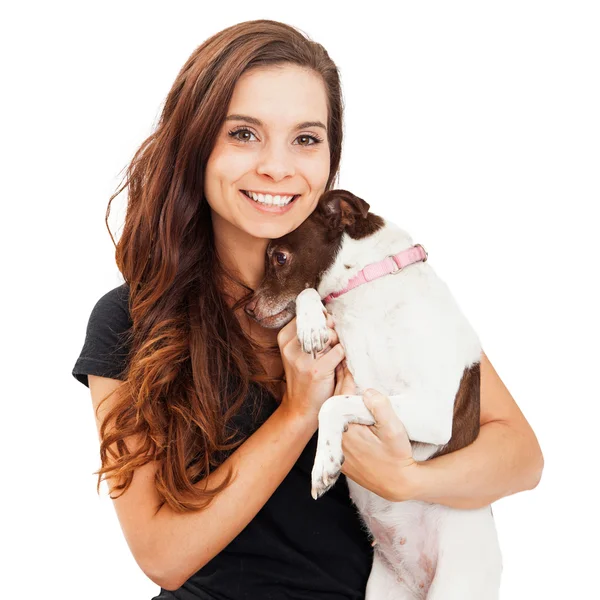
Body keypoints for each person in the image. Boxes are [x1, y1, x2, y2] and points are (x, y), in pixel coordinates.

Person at [72, 19, 544, 599]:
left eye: (305, 138)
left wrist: (408, 478)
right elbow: (162, 555)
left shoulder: (380, 287)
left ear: (330, 155)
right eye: (244, 133)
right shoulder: (132, 320)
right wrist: (298, 411)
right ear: (196, 144)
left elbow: (520, 455)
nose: (277, 166)